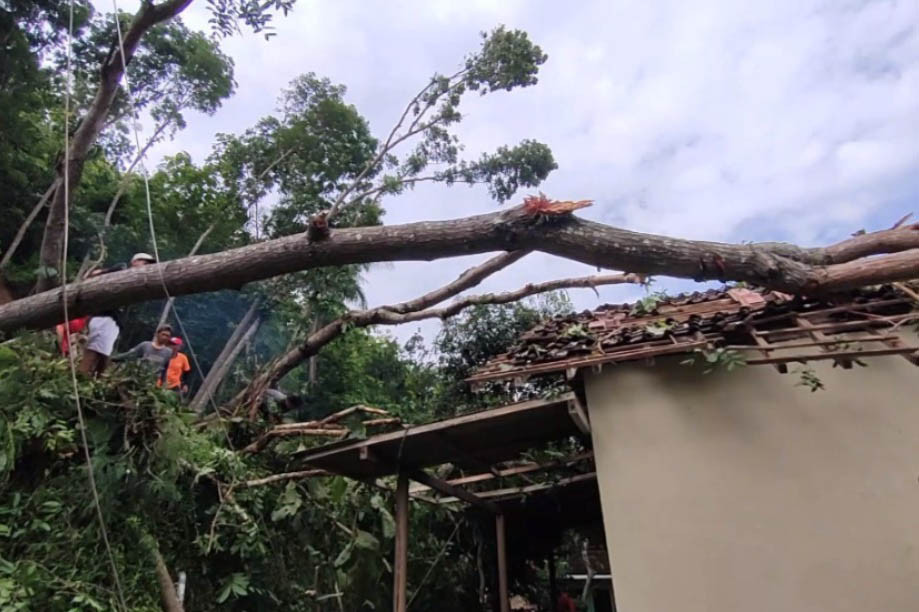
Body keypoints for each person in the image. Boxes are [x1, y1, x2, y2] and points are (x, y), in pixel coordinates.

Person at [78, 310, 121, 377]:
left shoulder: (103, 320)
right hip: (110, 324)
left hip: (104, 323)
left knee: (92, 356)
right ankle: (86, 376)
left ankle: (82, 376)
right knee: (100, 356)